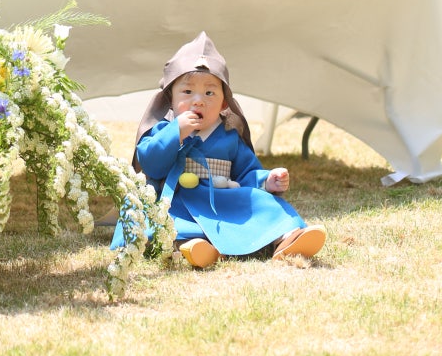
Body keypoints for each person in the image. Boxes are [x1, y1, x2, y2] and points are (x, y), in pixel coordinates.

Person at [112, 31, 326, 268]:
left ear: (224, 103)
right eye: (187, 92)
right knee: (161, 222)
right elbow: (151, 163)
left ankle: (286, 238)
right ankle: (191, 248)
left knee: (264, 204)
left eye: (210, 93)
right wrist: (176, 133)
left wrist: (267, 181)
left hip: (222, 200)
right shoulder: (163, 130)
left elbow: (246, 172)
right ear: (170, 98)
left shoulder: (229, 136)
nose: (198, 100)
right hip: (177, 202)